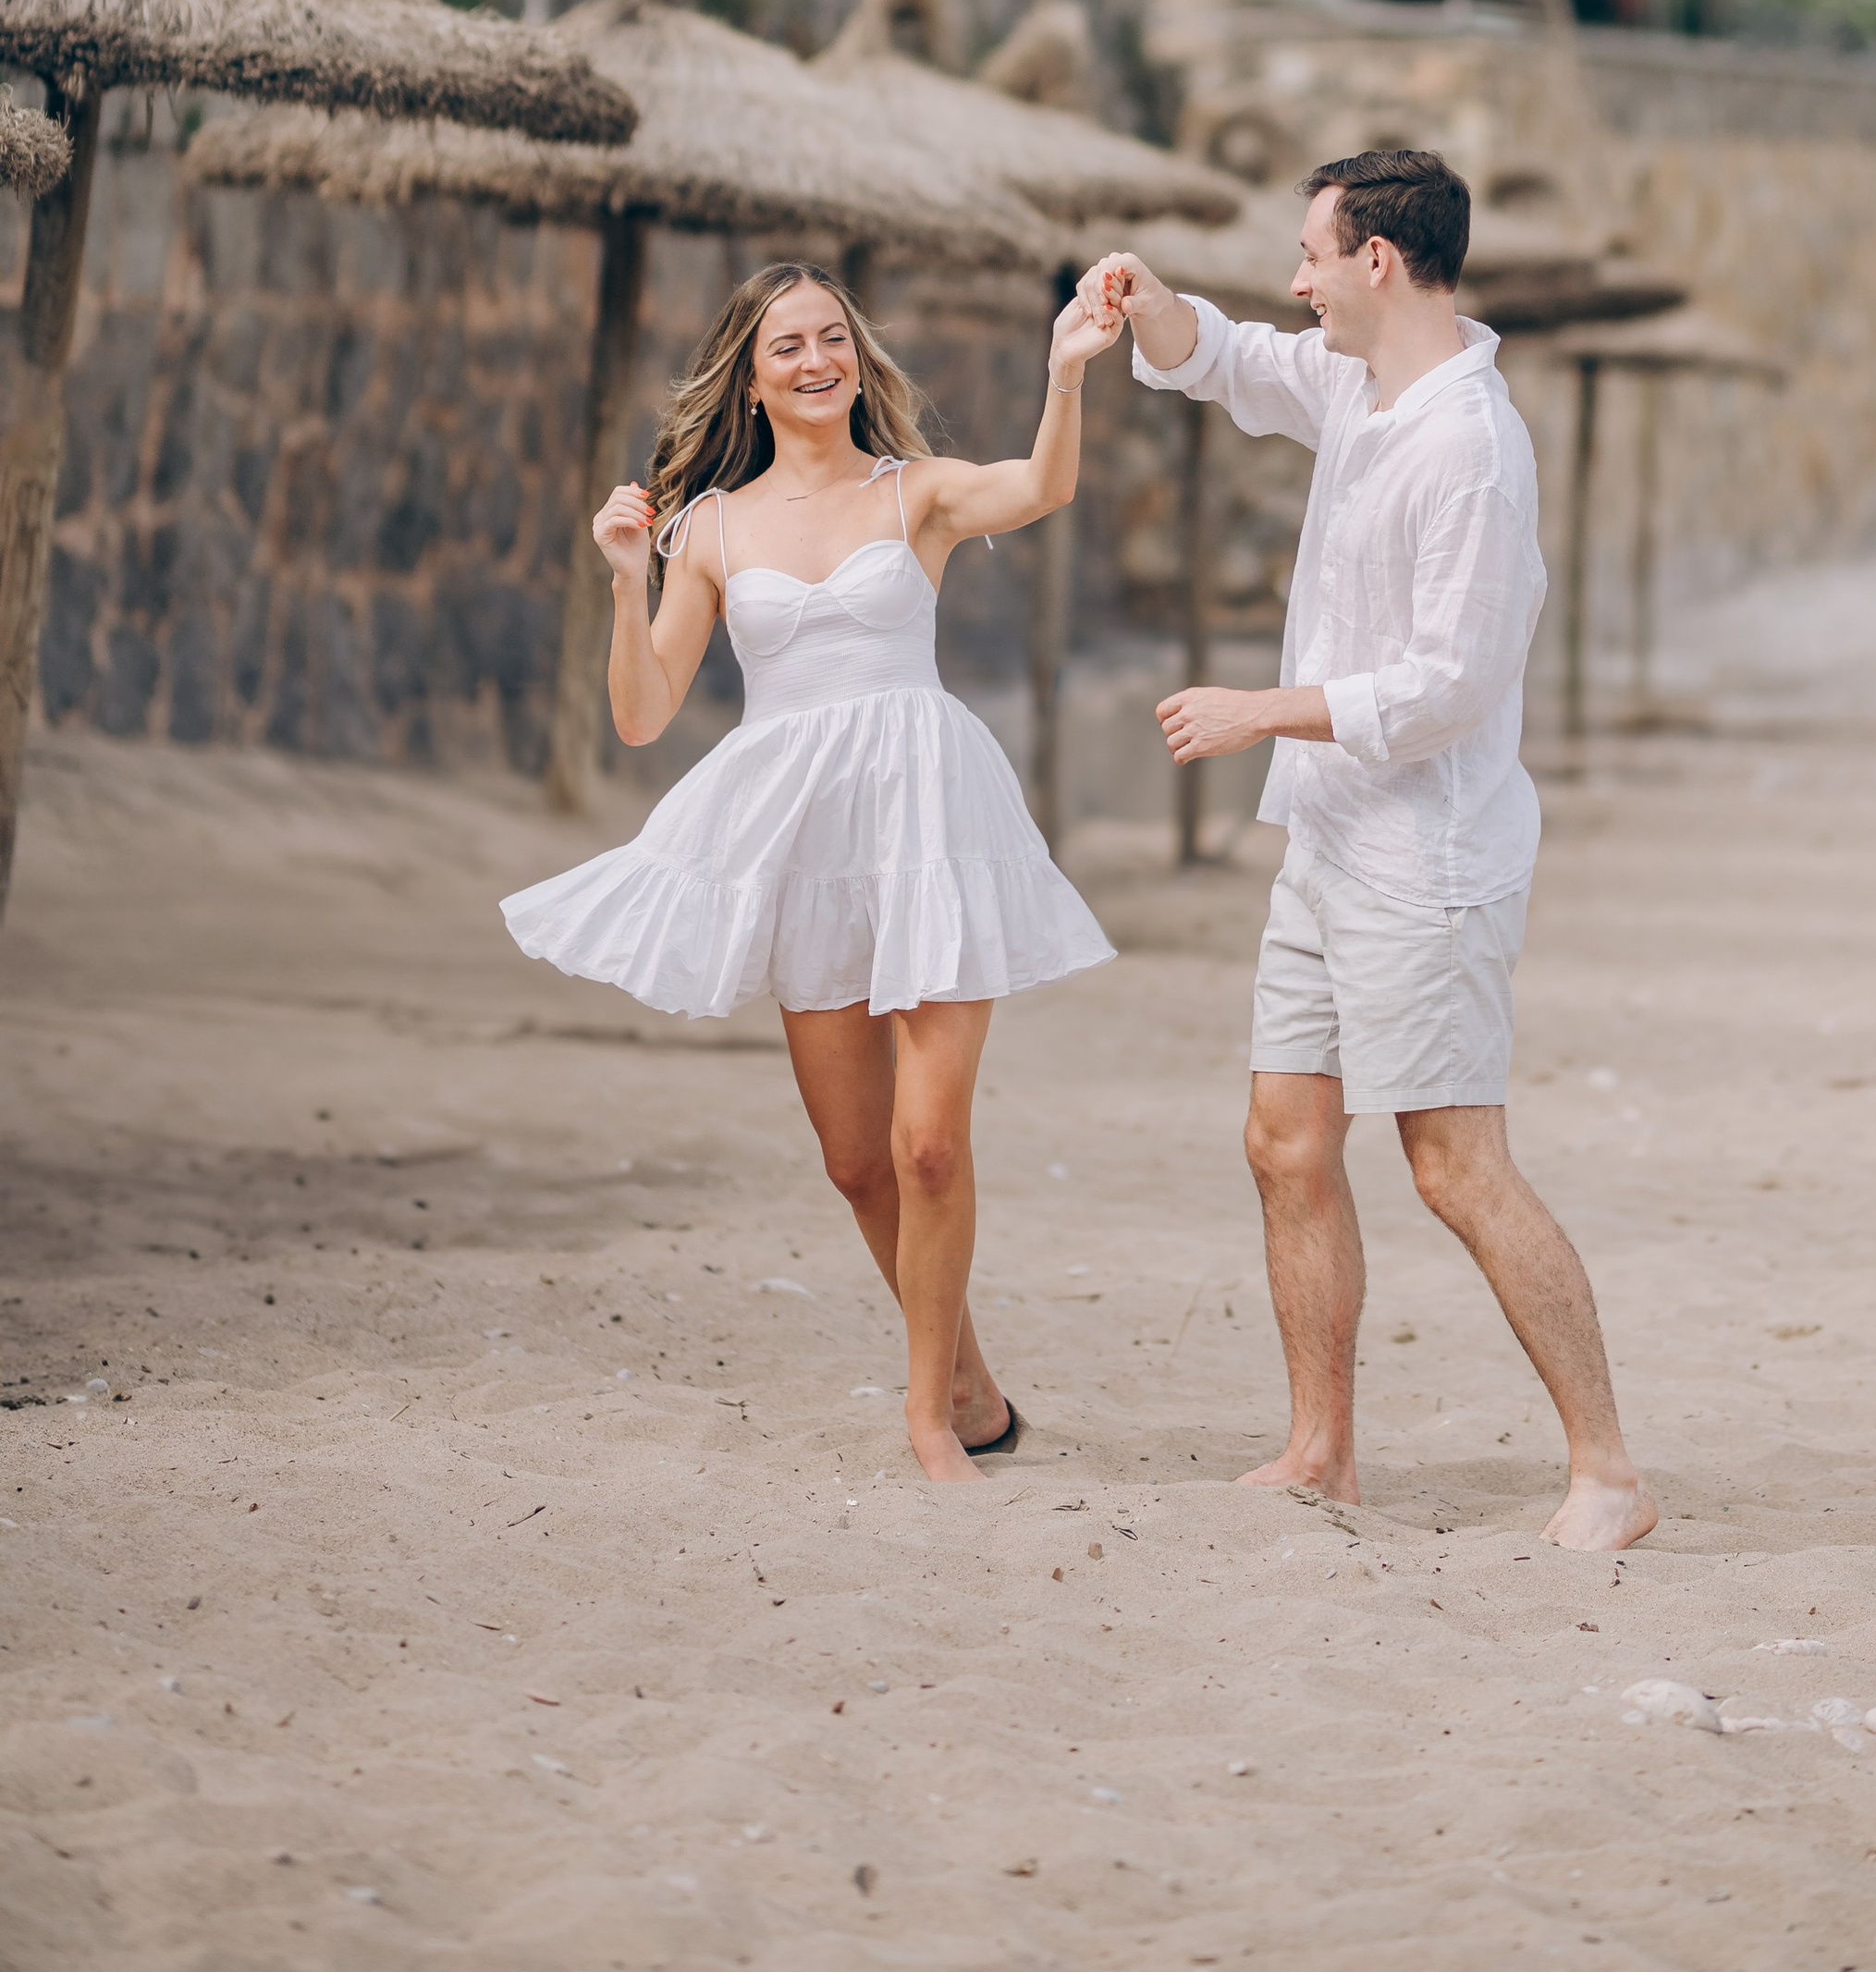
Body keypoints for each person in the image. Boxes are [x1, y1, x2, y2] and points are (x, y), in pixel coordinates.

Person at [1088, 149, 1655, 1553]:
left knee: (1456, 1166)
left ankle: (1608, 1473)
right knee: (1284, 1143)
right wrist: (1152, 304)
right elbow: (1228, 361)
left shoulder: (1473, 442)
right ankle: (1322, 1453)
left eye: (1312, 257)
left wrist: (1256, 711)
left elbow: (1449, 685)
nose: (1298, 283)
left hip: (1431, 859)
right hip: (1327, 844)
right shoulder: (1358, 380)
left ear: (1379, 264)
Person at [501, 259, 1124, 1485]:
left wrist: (1065, 375)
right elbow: (641, 714)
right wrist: (630, 585)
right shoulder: (713, 528)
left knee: (928, 1143)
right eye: (787, 344)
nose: (816, 359)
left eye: (832, 337)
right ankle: (972, 1378)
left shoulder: (919, 494)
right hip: (802, 842)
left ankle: (928, 1419)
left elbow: (1043, 485)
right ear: (749, 373)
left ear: (857, 356)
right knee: (855, 1162)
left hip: (929, 819)